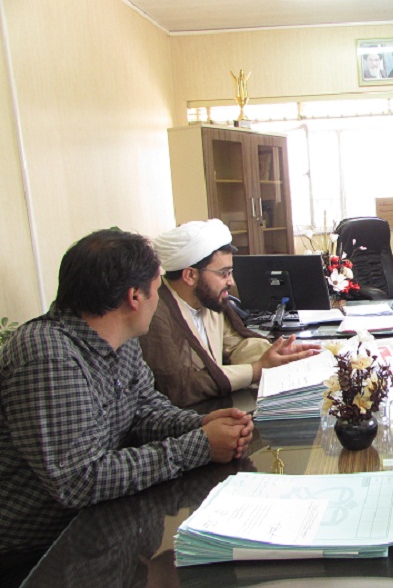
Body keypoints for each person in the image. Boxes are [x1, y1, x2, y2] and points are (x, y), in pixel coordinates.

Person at [0, 229, 253, 581]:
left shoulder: (121, 339)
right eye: (157, 289)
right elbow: (79, 480)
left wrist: (202, 424)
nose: (159, 300)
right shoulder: (48, 355)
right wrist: (199, 446)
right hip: (40, 555)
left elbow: (145, 411)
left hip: (104, 530)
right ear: (134, 296)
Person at [139, 219, 319, 407]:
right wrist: (256, 370)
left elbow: (235, 345)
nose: (231, 282)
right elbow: (177, 386)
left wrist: (278, 354)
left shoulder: (208, 301)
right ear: (190, 275)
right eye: (224, 273)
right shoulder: (155, 313)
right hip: (186, 417)